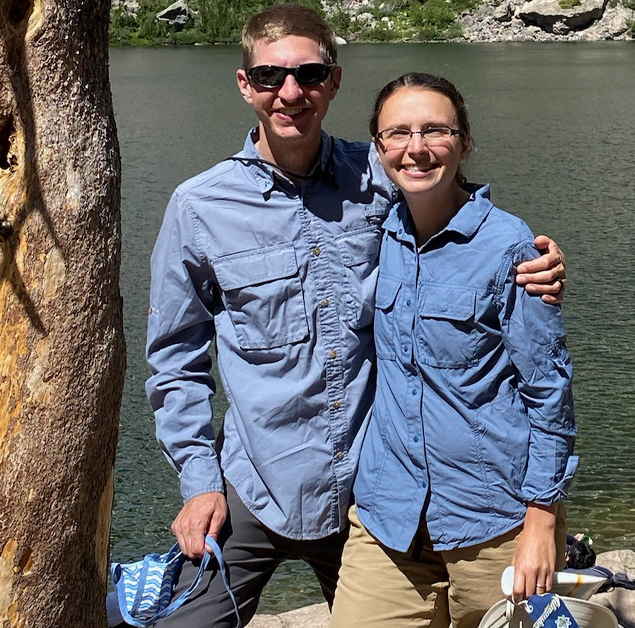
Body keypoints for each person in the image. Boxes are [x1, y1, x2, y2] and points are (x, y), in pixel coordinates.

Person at [134, 5, 567, 627]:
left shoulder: (380, 173)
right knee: (188, 623)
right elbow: (175, 360)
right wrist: (200, 479)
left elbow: (455, 213)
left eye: (310, 74)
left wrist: (538, 257)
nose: (290, 93)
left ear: (334, 81)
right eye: (269, 77)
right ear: (244, 83)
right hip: (256, 482)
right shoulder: (199, 206)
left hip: (370, 489)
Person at [329, 73, 576, 628]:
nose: (416, 148)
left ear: (464, 144)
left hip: (495, 521)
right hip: (388, 519)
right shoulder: (377, 230)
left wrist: (542, 519)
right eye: (398, 133)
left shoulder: (512, 247)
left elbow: (549, 389)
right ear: (379, 148)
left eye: (435, 131)